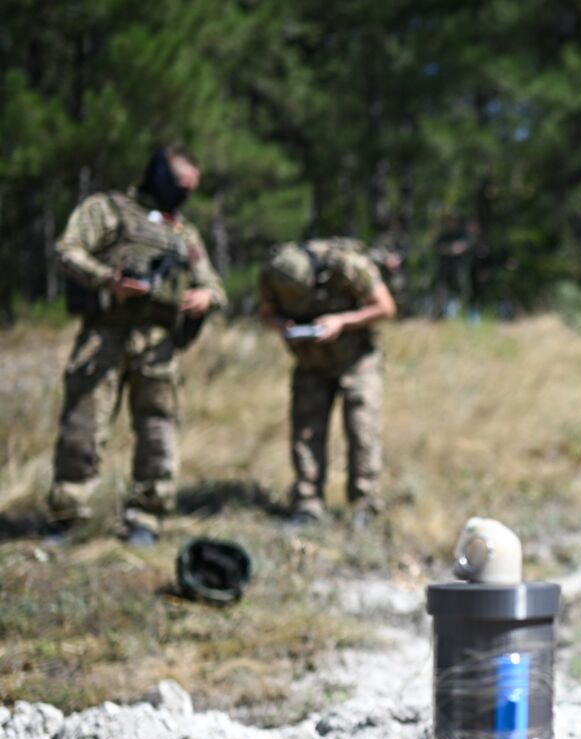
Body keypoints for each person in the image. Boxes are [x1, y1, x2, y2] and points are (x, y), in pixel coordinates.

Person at [48, 144, 226, 546]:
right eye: (180, 186)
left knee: (158, 432)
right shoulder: (107, 210)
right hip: (104, 334)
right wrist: (108, 279)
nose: (185, 196)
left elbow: (214, 286)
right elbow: (67, 251)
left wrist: (204, 298)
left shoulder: (183, 232)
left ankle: (147, 517)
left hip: (158, 344)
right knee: (83, 428)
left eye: (191, 190)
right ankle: (69, 516)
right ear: (161, 176)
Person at [258, 238, 396, 527]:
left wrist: (342, 322)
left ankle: (365, 504)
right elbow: (266, 314)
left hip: (356, 361)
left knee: (361, 430)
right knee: (306, 433)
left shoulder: (347, 266)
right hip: (310, 362)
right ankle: (307, 503)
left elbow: (385, 308)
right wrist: (282, 325)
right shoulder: (272, 273)